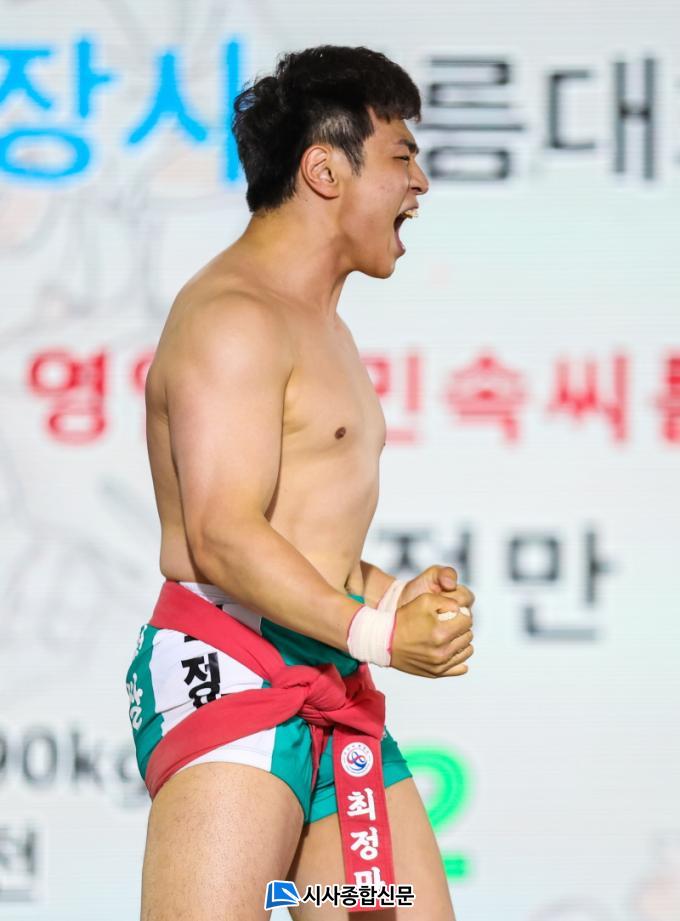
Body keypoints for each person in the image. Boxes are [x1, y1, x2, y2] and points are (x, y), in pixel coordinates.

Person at [126, 45, 475, 920]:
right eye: (401, 156)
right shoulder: (233, 317)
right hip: (234, 672)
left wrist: (392, 600)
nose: (420, 183)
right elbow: (222, 534)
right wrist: (378, 633)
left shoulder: (323, 326)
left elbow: (304, 542)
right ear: (324, 170)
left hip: (329, 684)